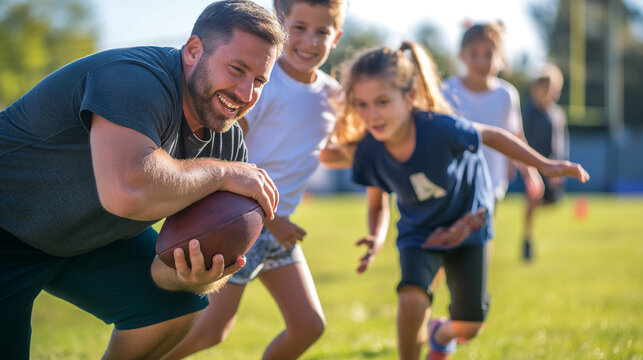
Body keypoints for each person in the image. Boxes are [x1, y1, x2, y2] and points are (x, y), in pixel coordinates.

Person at [0, 1, 286, 359]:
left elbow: (163, 272)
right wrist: (225, 173)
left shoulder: (226, 142)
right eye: (236, 69)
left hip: (82, 239)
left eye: (259, 80)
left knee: (173, 310)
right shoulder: (133, 78)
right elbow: (128, 191)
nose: (245, 94)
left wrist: (193, 276)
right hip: (6, 220)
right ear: (194, 50)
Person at [327, 42, 589, 360]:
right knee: (411, 298)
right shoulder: (370, 150)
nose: (372, 115)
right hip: (419, 232)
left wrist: (544, 165)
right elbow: (376, 202)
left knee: (469, 325)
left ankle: (441, 333)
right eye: (363, 105)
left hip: (468, 223)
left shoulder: (438, 129)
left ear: (409, 97)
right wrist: (376, 236)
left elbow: (490, 136)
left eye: (382, 102)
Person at [161, 1, 346, 359]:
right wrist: (272, 220)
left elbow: (316, 150)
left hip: (281, 228)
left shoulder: (331, 94)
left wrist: (364, 155)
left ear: (335, 36)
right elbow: (227, 153)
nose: (309, 41)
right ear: (280, 22)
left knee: (309, 325)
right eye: (300, 28)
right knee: (211, 330)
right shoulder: (262, 84)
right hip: (243, 222)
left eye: (322, 31)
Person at [442, 22, 544, 207]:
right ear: (462, 55)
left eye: (489, 54)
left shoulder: (506, 95)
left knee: (483, 236)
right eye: (474, 54)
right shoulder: (447, 91)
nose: (482, 61)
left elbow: (516, 136)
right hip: (453, 185)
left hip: (492, 184)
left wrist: (530, 173)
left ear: (501, 58)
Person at [521, 63, 570, 261]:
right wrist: (529, 169)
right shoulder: (529, 112)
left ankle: (530, 213)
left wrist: (559, 167)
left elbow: (561, 140)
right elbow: (522, 140)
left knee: (552, 201)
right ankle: (527, 239)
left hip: (553, 166)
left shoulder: (557, 113)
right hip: (534, 164)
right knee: (534, 197)